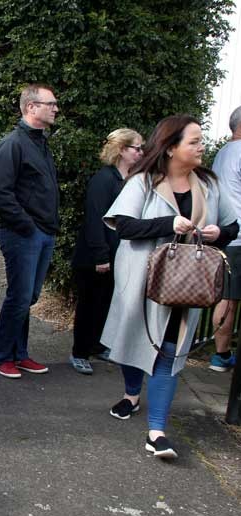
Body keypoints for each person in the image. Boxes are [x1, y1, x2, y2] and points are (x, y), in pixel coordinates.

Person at [102, 115, 238, 459]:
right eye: (194, 141)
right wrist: (168, 223)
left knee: (171, 350)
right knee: (135, 339)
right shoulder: (142, 182)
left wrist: (218, 234)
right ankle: (132, 393)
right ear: (171, 147)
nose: (202, 146)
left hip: (187, 283)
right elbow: (124, 226)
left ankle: (157, 430)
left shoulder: (209, 184)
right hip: (143, 280)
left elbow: (232, 226)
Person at [0, 83, 61, 379]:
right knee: (19, 296)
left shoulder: (39, 142)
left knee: (28, 296)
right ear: (31, 107)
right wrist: (27, 227)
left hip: (42, 233)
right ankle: (3, 356)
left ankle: (20, 354)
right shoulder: (13, 144)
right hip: (23, 235)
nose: (56, 108)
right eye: (51, 103)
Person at [69, 129, 144, 375]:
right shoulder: (104, 179)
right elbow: (95, 219)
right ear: (122, 150)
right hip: (94, 258)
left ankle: (97, 345)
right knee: (89, 306)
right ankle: (79, 353)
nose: (141, 152)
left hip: (116, 255)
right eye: (136, 148)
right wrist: (101, 256)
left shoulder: (130, 179)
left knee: (106, 304)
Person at [208, 106, 241, 372]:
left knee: (225, 296)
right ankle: (220, 355)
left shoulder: (222, 153)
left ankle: (221, 354)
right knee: (229, 298)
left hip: (223, 233)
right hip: (238, 236)